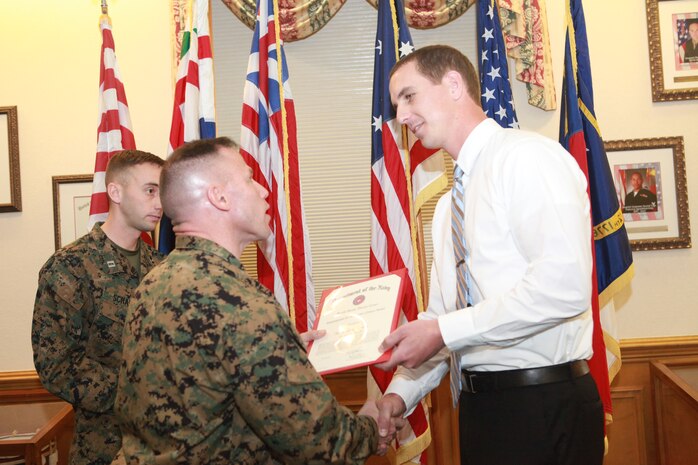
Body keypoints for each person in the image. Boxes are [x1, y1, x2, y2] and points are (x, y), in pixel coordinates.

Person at [374, 45, 604, 465]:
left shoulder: (526, 158)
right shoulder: (447, 208)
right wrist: (397, 394)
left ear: (454, 84)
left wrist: (443, 331)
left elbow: (563, 287)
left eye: (409, 96)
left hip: (544, 405)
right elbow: (442, 316)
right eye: (396, 105)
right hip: (481, 411)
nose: (401, 116)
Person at [114, 137, 402, 465]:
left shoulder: (152, 283)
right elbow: (319, 444)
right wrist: (370, 428)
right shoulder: (240, 304)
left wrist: (280, 349)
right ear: (219, 197)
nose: (264, 191)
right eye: (250, 179)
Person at [32, 150, 164, 465]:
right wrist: (134, 393)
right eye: (150, 190)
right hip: (105, 447)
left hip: (164, 447)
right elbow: (56, 366)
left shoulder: (162, 267)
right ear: (115, 192)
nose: (160, 203)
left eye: (163, 192)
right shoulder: (71, 266)